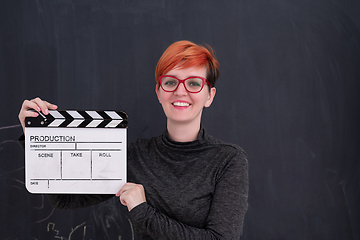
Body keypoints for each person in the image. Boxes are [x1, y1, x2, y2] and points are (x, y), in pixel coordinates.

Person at [18, 40, 249, 239]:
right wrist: (36, 138)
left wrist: (142, 210)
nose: (180, 91)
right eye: (170, 82)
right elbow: (64, 199)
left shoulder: (228, 160)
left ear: (210, 95)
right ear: (159, 92)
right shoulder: (135, 156)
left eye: (194, 83)